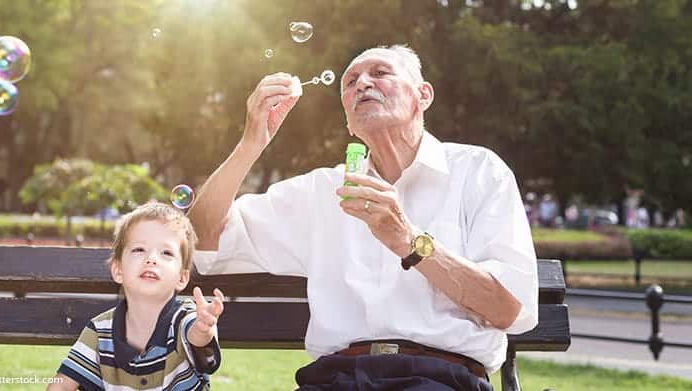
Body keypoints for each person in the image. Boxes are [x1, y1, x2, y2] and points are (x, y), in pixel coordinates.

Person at [189, 44, 537, 390]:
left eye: (380, 73)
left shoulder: (478, 172)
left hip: (441, 379)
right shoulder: (321, 192)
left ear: (423, 95)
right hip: (334, 379)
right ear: (349, 122)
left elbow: (507, 308)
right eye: (351, 81)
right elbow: (203, 237)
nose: (362, 84)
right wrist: (251, 142)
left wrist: (409, 241)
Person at [48, 202, 225, 391]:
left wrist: (203, 329)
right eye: (139, 249)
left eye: (166, 252)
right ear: (118, 270)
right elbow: (62, 384)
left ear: (181, 278)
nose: (151, 259)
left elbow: (197, 340)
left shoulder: (184, 319)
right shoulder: (100, 330)